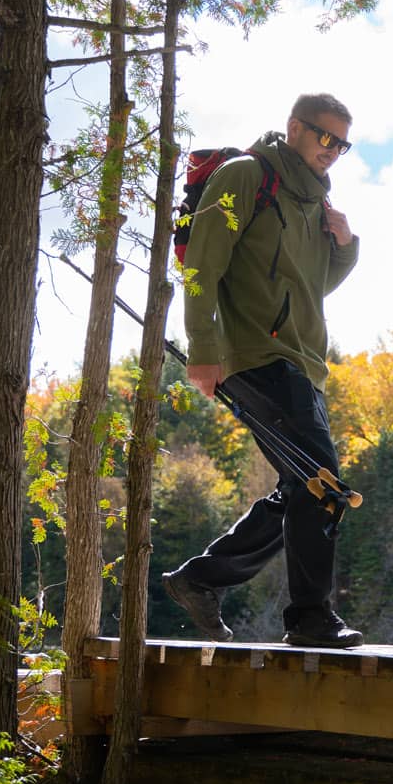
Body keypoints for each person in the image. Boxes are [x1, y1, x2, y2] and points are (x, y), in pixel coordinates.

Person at [161, 93, 364, 649]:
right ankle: (310, 618)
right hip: (255, 356)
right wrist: (203, 348)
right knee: (322, 486)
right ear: (295, 127)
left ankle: (200, 579)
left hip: (304, 363)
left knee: (304, 485)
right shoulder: (246, 177)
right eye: (326, 138)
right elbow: (202, 264)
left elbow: (312, 286)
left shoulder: (311, 203)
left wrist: (345, 246)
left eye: (342, 144)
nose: (333, 152)